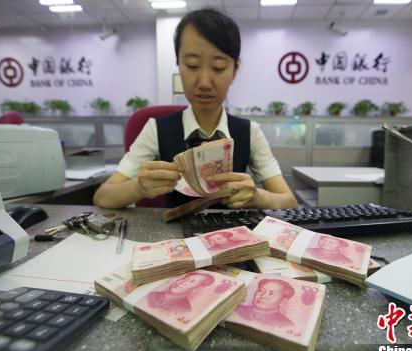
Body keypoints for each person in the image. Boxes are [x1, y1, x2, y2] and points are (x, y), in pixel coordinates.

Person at [93, 8, 298, 210]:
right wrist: (137, 187)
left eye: (218, 67)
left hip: (234, 240)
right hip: (175, 238)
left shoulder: (249, 132)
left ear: (234, 71)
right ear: (179, 65)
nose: (204, 82)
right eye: (192, 65)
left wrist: (259, 197)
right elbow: (103, 197)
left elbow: (289, 202)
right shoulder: (157, 129)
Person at [146, 272, 215, 313]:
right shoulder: (151, 295)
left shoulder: (184, 309)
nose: (183, 282)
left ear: (196, 288)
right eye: (185, 279)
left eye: (192, 281)